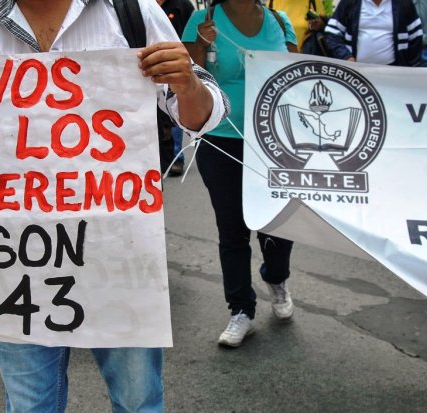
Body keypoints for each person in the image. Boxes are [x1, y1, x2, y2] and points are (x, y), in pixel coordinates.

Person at [0, 0, 229, 411]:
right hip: (15, 267)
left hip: (118, 261)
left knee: (138, 400)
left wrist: (187, 85)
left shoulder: (130, 12)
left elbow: (202, 117)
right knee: (30, 405)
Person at [182, 0, 295, 348]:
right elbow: (188, 84)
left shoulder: (280, 21)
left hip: (274, 143)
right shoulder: (202, 20)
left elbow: (297, 77)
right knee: (232, 228)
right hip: (221, 141)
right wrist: (200, 44)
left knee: (278, 224)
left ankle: (276, 278)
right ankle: (241, 309)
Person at [157, 0, 195, 177]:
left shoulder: (183, 6)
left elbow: (191, 37)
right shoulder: (137, 5)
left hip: (176, 70)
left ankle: (177, 157)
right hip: (148, 70)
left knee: (175, 114)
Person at [324, 0, 423, 66]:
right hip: (357, 76)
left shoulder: (403, 4)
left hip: (394, 75)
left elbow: (416, 38)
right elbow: (332, 33)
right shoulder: (350, 2)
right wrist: (346, 57)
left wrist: (409, 71)